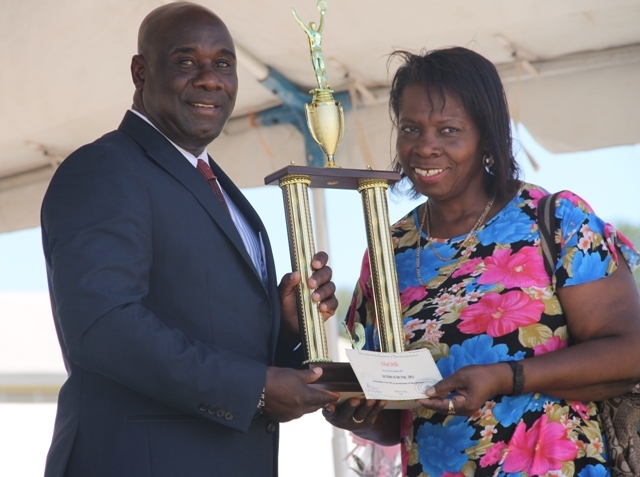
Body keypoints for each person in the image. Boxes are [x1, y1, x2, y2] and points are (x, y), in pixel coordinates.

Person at [40, 3, 340, 476]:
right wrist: (255, 388)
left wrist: (285, 325)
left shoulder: (219, 187)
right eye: (186, 61)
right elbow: (103, 325)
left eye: (223, 63)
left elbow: (221, 334)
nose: (209, 79)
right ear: (140, 71)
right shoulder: (103, 169)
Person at [323, 46, 640, 477]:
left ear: (487, 137)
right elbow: (395, 413)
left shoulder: (556, 220)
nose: (425, 147)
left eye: (449, 130)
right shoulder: (387, 249)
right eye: (411, 129)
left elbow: (629, 353)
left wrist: (505, 377)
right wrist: (352, 412)